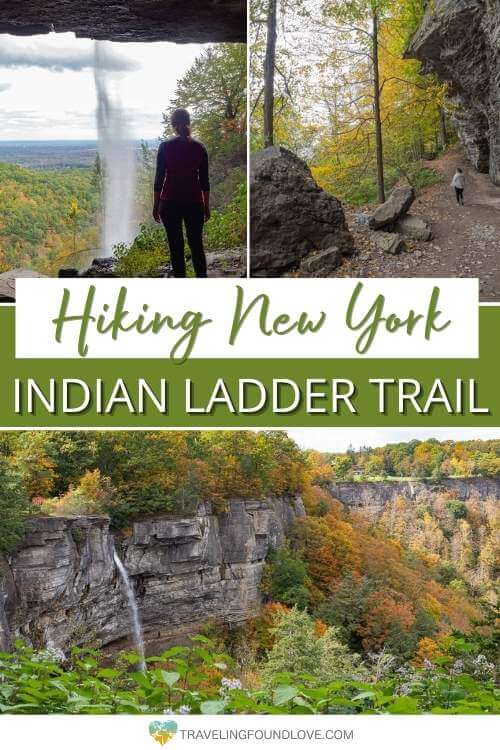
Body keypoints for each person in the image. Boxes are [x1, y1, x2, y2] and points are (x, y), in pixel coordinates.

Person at [153, 108, 211, 277]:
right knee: (196, 246)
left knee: (175, 247)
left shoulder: (165, 147)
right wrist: (206, 206)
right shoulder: (200, 148)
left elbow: (159, 180)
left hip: (169, 204)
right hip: (194, 204)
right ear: (188, 123)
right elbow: (204, 182)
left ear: (173, 125)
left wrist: (156, 205)